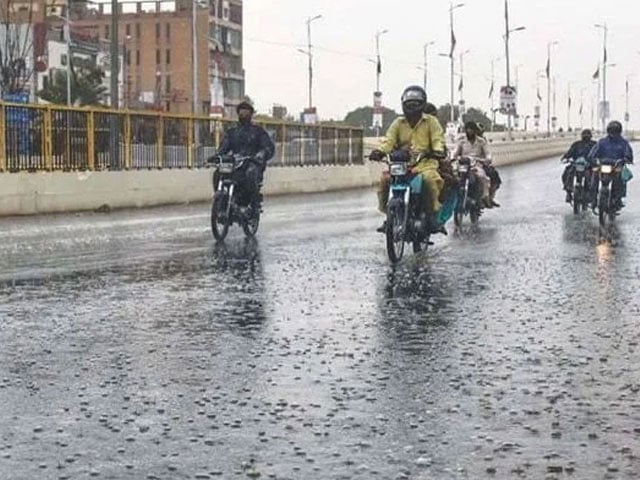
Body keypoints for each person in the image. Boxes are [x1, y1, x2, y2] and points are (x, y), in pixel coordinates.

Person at [370, 86, 447, 233]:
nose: (412, 107)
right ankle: (389, 216)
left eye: (415, 104)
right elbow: (389, 141)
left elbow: (438, 139)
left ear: (422, 104)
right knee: (385, 180)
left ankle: (431, 216)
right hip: (401, 165)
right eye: (409, 104)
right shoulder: (398, 123)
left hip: (425, 164)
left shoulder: (431, 122)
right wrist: (380, 151)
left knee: (430, 180)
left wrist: (437, 150)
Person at [215, 100, 275, 211]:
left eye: (246, 112)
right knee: (218, 172)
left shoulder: (258, 131)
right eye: (241, 112)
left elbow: (268, 147)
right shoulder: (232, 132)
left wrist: (261, 154)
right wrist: (218, 156)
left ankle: (250, 204)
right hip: (235, 163)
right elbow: (224, 147)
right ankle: (222, 202)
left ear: (251, 115)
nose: (243, 115)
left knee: (250, 173)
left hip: (252, 163)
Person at [588, 120, 634, 208]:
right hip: (602, 165)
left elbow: (628, 154)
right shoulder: (602, 142)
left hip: (616, 166)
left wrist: (626, 159)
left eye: (615, 131)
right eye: (612, 131)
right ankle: (593, 198)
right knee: (594, 175)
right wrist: (593, 159)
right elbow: (593, 153)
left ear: (619, 131)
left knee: (620, 177)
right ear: (608, 131)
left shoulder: (623, 143)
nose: (613, 133)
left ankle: (617, 198)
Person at [453, 121, 493, 208]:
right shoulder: (461, 141)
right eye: (467, 130)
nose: (469, 132)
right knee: (453, 178)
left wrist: (487, 159)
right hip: (463, 166)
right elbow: (455, 153)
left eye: (471, 130)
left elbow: (487, 153)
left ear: (475, 131)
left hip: (476, 165)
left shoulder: (481, 141)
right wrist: (455, 157)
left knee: (482, 177)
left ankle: (484, 197)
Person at [560, 129, 596, 203]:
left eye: (588, 135)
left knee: (594, 176)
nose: (586, 136)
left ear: (591, 136)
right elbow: (569, 152)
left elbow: (599, 154)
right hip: (576, 165)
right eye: (584, 135)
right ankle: (569, 192)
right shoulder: (576, 144)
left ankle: (592, 193)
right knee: (567, 173)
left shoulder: (594, 145)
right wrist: (565, 157)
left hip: (589, 166)